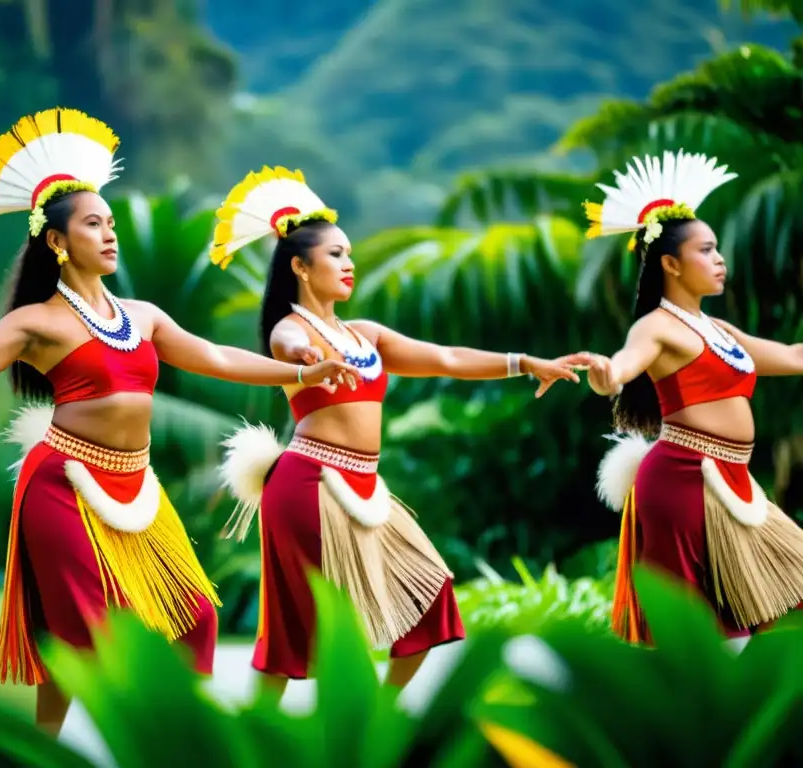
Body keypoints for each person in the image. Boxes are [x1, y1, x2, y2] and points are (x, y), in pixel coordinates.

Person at [0, 109, 359, 734]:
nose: (110, 234)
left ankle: (173, 739)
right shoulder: (35, 322)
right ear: (57, 241)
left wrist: (301, 374)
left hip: (137, 485)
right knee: (82, 631)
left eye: (112, 223)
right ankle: (62, 746)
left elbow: (217, 357)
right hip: (63, 484)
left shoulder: (142, 315)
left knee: (194, 617)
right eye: (93, 224)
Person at [210, 165, 592, 697]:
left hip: (366, 487)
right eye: (336, 255)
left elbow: (446, 357)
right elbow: (289, 346)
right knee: (311, 630)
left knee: (429, 602)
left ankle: (380, 719)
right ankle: (260, 738)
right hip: (310, 486)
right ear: (300, 266)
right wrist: (310, 361)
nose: (349, 265)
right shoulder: (293, 329)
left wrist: (525, 361)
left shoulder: (364, 334)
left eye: (349, 254)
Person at [586, 150, 803, 645]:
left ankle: (744, 710)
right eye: (706, 250)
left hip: (735, 483)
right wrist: (605, 375)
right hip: (683, 481)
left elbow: (793, 355)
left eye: (717, 248)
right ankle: (691, 718)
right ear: (670, 264)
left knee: (788, 599)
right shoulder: (658, 327)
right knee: (698, 627)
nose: (719, 258)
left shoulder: (718, 329)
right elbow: (621, 367)